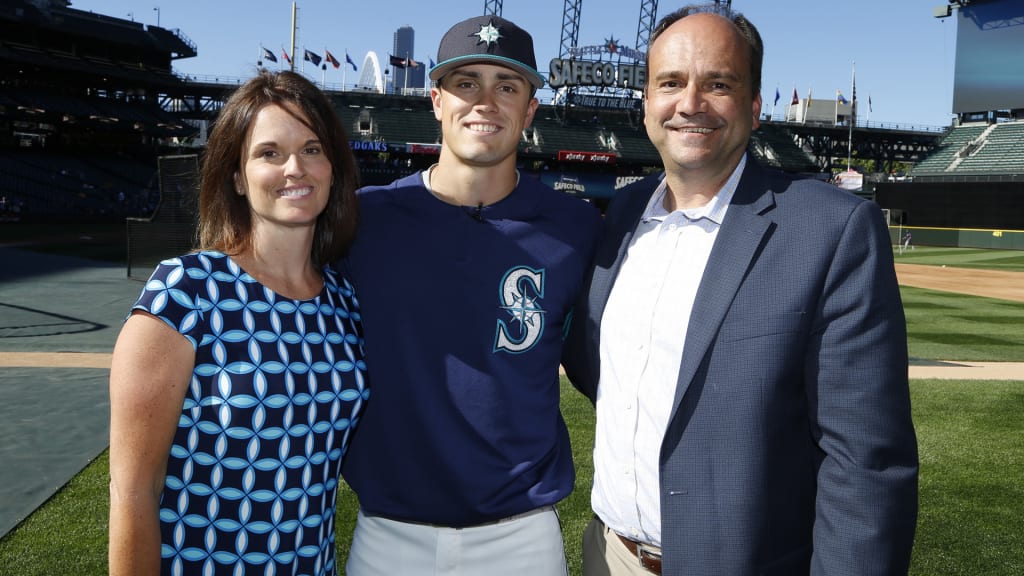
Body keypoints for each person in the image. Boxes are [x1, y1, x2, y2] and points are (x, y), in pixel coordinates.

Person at [563, 6, 919, 575]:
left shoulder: (830, 229)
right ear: (647, 102)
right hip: (610, 555)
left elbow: (866, 462)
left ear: (754, 107)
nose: (690, 104)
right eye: (670, 83)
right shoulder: (622, 215)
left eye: (718, 84)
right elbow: (599, 368)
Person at [339, 14, 603, 576]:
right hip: (389, 532)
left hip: (521, 539)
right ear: (436, 100)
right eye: (466, 83)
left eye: (506, 86)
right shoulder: (365, 220)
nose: (485, 101)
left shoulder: (576, 228)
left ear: (530, 110)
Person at [108, 70, 367, 576]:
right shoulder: (186, 291)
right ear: (237, 178)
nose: (295, 167)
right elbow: (134, 488)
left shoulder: (344, 299)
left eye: (313, 149)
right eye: (269, 153)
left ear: (333, 168)